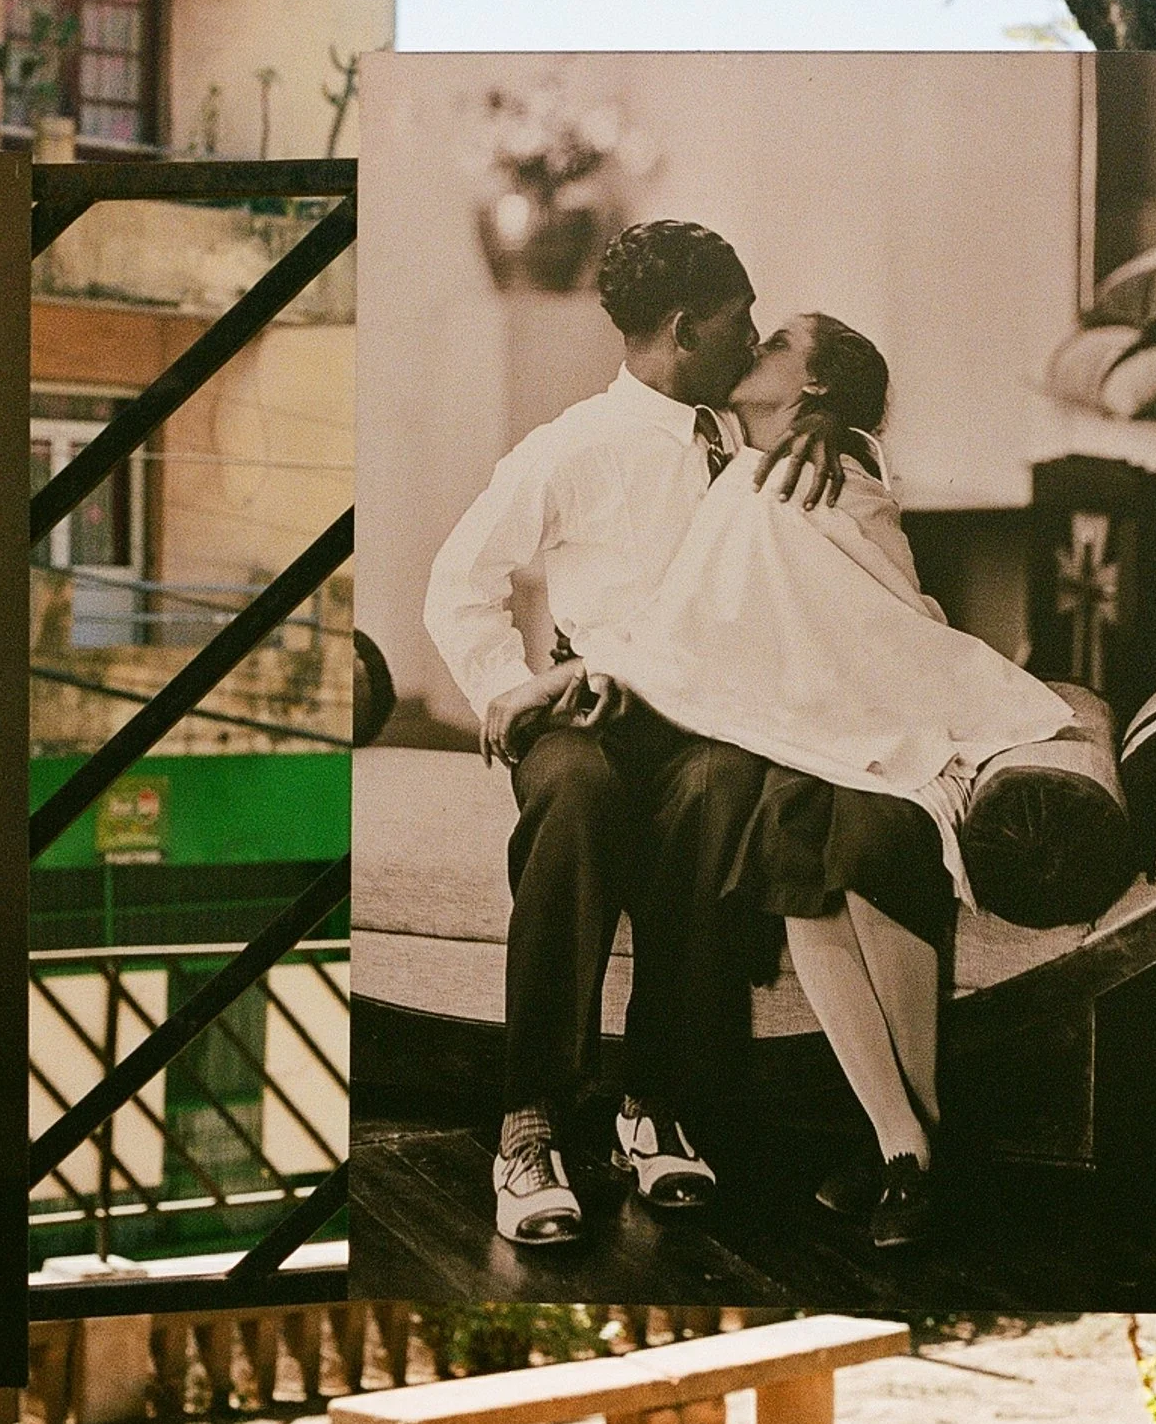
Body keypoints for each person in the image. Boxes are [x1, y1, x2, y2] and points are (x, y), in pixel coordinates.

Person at [581, 312, 1072, 1247]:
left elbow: (860, 608)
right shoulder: (737, 448)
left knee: (875, 836)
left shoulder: (830, 466)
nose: (752, 347)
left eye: (776, 344)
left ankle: (908, 1149)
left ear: (814, 387)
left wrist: (833, 431)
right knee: (794, 850)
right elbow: (713, 612)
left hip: (867, 705)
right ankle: (913, 1146)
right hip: (793, 720)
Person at [423, 221, 846, 1248]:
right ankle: (528, 1124)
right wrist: (517, 687)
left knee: (719, 787)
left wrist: (832, 422)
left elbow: (835, 405)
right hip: (586, 716)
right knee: (578, 796)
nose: (751, 337)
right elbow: (457, 583)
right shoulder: (573, 447)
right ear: (684, 328)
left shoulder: (746, 434)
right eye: (740, 319)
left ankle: (654, 1103)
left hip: (700, 719)